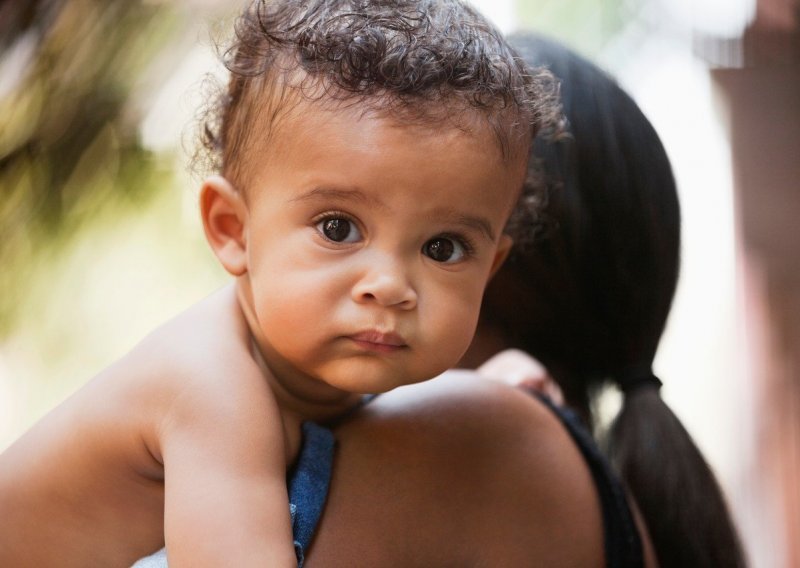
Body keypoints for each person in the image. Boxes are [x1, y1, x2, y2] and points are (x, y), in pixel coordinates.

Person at [0, 2, 560, 566]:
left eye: (443, 248)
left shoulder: (315, 369)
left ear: (489, 268)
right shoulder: (210, 392)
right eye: (338, 228)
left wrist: (485, 397)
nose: (390, 286)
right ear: (233, 230)